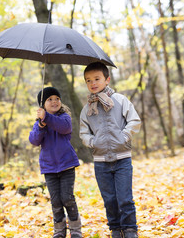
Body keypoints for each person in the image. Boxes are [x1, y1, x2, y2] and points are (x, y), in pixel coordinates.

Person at [79, 62, 141, 238]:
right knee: (110, 199)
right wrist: (93, 142)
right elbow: (83, 132)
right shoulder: (87, 109)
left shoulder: (120, 100)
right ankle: (115, 229)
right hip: (101, 162)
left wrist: (124, 136)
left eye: (97, 79)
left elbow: (134, 120)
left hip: (122, 159)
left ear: (107, 79)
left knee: (125, 198)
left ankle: (129, 229)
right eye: (88, 80)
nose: (93, 83)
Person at [29, 87, 82, 238]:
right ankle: (59, 231)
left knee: (67, 198)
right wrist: (41, 126)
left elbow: (65, 128)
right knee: (56, 201)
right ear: (42, 105)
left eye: (56, 98)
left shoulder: (64, 117)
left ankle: (75, 229)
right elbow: (34, 140)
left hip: (66, 165)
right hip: (49, 168)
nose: (54, 101)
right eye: (49, 99)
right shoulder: (39, 123)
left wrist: (47, 118)